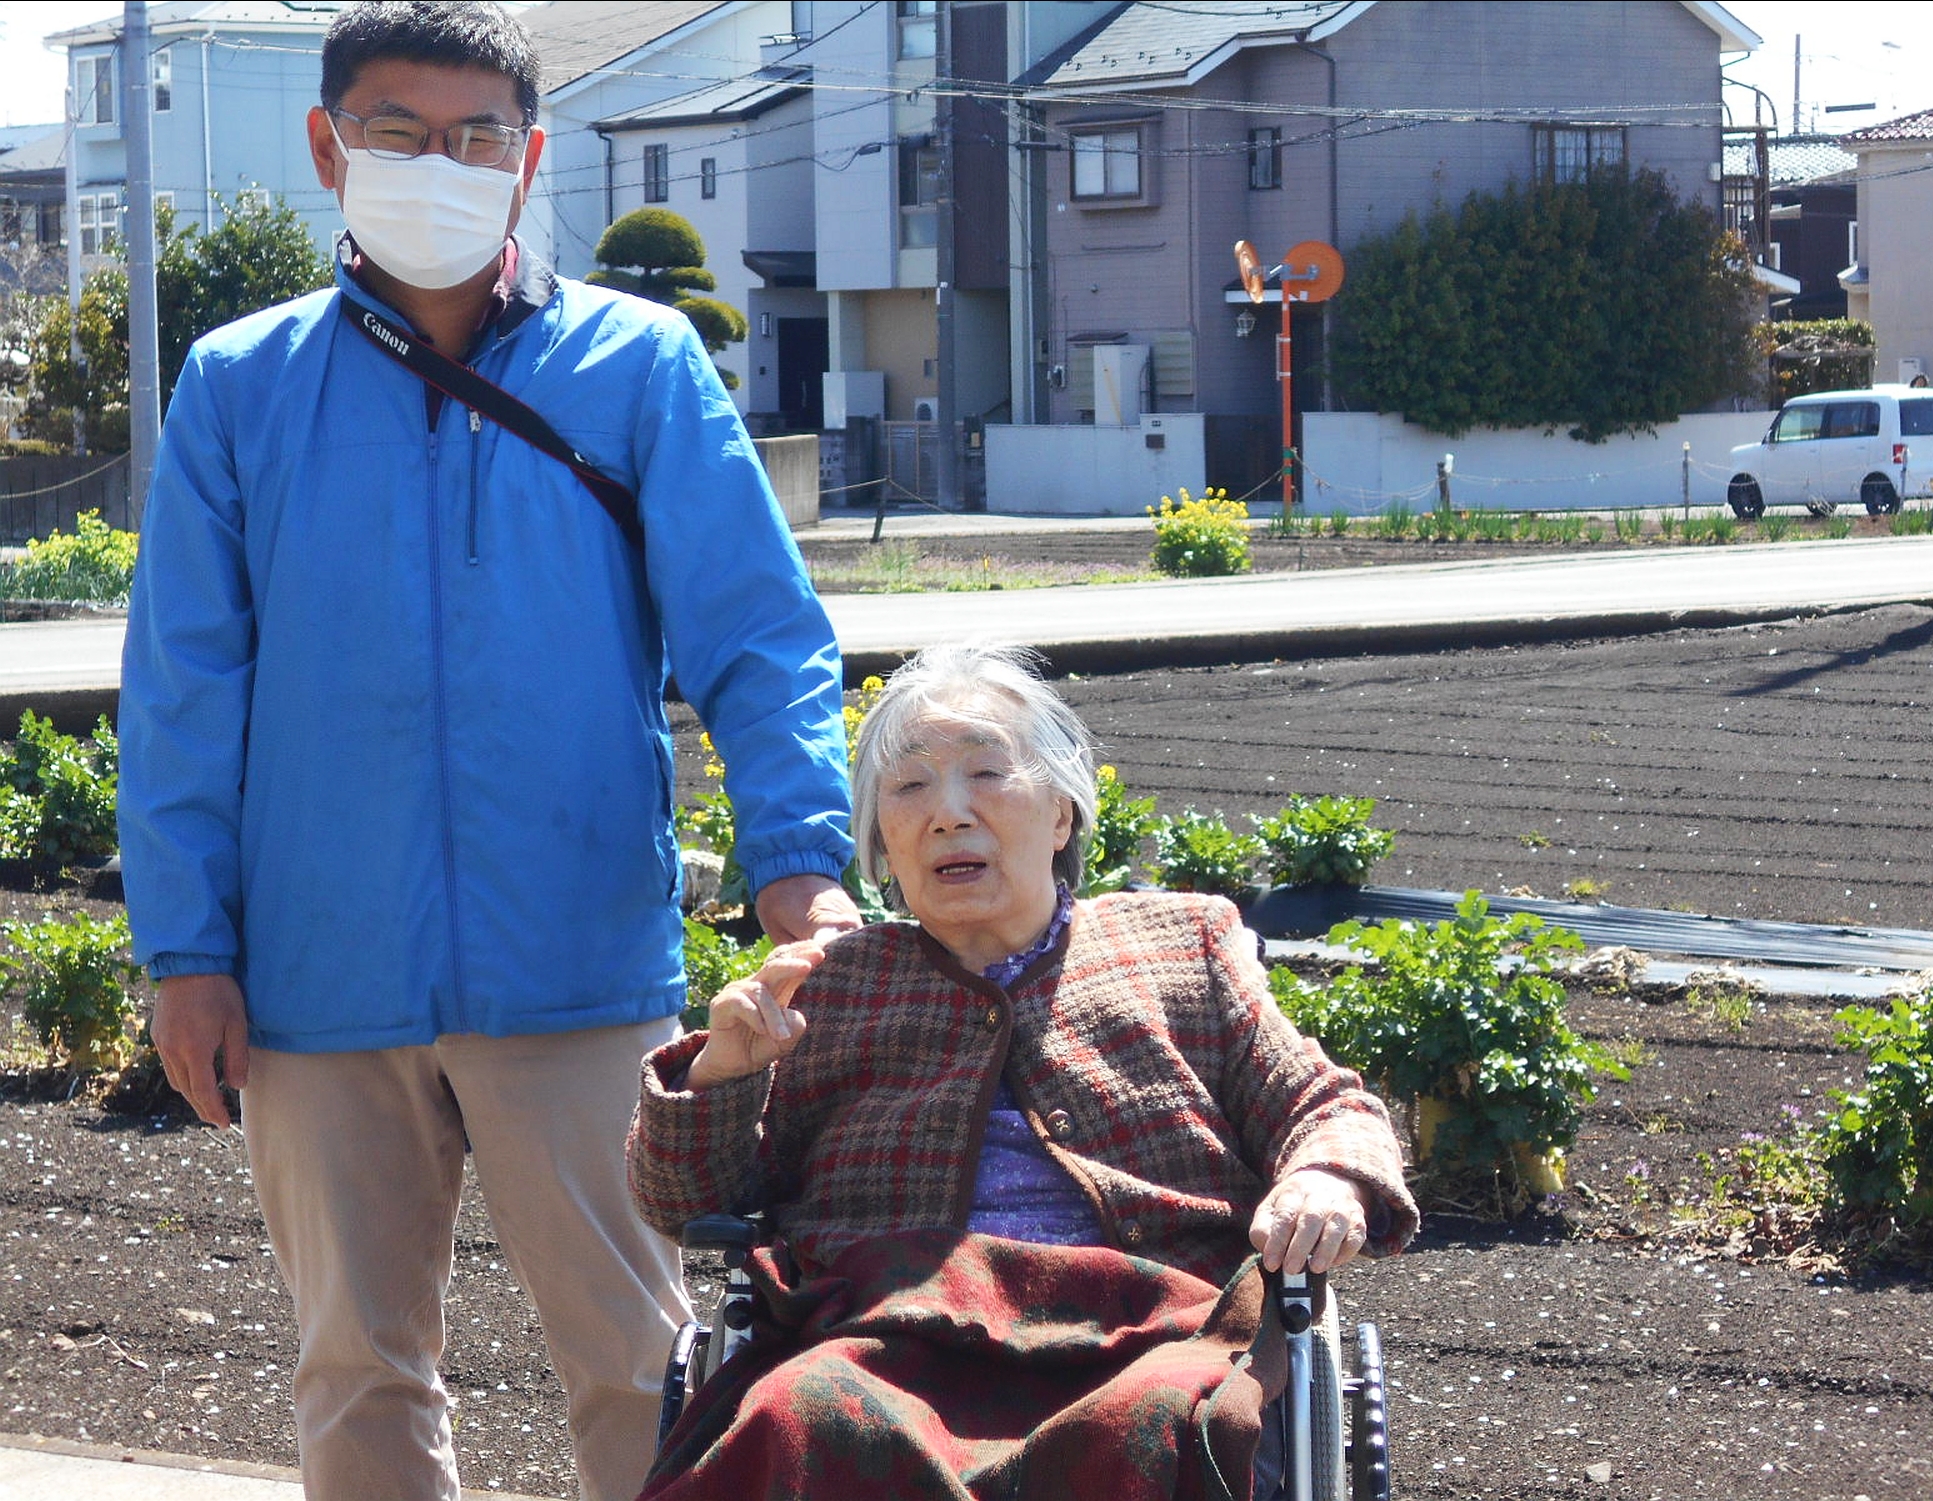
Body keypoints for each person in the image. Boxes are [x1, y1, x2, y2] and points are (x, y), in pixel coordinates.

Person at [117, 5, 859, 1499]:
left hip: (577, 960)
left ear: (528, 160)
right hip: (321, 973)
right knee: (356, 1369)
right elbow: (183, 686)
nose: (439, 165)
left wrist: (799, 863)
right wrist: (186, 949)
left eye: (478, 138)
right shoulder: (240, 382)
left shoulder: (639, 362)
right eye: (398, 132)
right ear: (328, 146)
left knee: (642, 1362)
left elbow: (756, 633)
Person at [627, 644, 1419, 1501]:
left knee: (1157, 1424)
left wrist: (1327, 1176)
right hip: (882, 1335)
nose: (947, 813)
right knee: (800, 1413)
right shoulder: (830, 986)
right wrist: (720, 1075)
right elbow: (682, 1201)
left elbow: (1323, 1103)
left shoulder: (1181, 947)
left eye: (986, 772)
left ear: (1062, 814)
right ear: (883, 843)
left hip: (1151, 1329)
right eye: (910, 785)